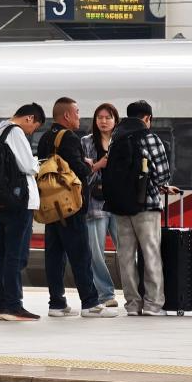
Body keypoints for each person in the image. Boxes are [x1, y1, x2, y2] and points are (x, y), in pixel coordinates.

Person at [36, 98, 117, 319]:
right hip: (70, 206)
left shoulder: (45, 137)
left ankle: (57, 303)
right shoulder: (69, 138)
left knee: (54, 255)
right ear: (67, 116)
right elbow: (79, 171)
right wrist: (95, 164)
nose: (80, 117)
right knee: (81, 254)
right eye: (78, 112)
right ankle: (90, 303)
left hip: (51, 206)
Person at [109, 100, 175, 317]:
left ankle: (132, 305)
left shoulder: (115, 138)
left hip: (120, 206)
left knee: (126, 256)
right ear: (147, 118)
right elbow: (163, 174)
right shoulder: (149, 137)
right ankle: (153, 305)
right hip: (146, 206)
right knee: (151, 253)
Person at [0, 103, 44, 322]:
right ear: (29, 118)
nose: (32, 132)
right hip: (20, 201)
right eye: (35, 127)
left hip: (4, 201)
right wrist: (38, 164)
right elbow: (28, 165)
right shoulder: (16, 132)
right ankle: (13, 305)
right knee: (15, 254)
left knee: (1, 253)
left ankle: (0, 304)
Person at [80, 103, 120, 308]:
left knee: (127, 250)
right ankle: (106, 293)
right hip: (95, 204)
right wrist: (98, 165)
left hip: (119, 203)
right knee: (96, 252)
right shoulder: (86, 143)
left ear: (116, 120)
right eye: (100, 117)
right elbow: (81, 175)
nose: (103, 121)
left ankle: (135, 293)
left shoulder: (120, 141)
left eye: (108, 117)